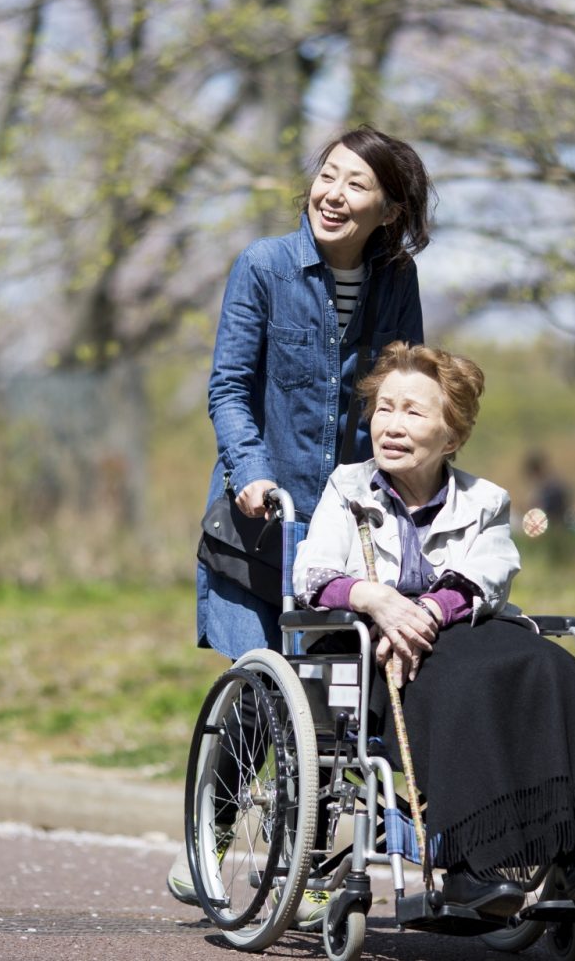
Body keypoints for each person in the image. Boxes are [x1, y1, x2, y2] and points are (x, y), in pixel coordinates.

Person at [170, 126, 435, 911]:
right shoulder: (263, 267)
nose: (334, 193)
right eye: (328, 176)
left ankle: (318, 868)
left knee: (336, 703)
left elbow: (403, 392)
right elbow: (228, 389)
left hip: (346, 528)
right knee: (260, 692)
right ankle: (208, 843)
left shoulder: (397, 280)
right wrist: (250, 474)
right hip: (262, 518)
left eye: (356, 185)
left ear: (387, 209)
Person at [293, 342, 575, 917]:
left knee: (559, 673)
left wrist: (425, 611)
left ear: (451, 438)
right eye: (384, 408)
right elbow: (313, 574)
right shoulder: (347, 490)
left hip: (456, 627)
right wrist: (379, 601)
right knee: (461, 685)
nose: (391, 426)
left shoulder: (484, 499)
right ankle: (474, 868)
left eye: (413, 412)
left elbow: (490, 572)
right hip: (369, 649)